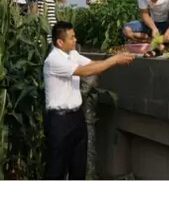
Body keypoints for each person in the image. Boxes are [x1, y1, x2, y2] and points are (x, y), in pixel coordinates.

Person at [43, 21, 134, 180]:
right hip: (59, 121)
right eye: (71, 37)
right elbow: (85, 71)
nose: (75, 39)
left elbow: (93, 65)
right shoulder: (54, 60)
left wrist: (116, 59)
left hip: (76, 118)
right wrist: (114, 60)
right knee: (57, 169)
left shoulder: (72, 54)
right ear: (60, 42)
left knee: (79, 166)